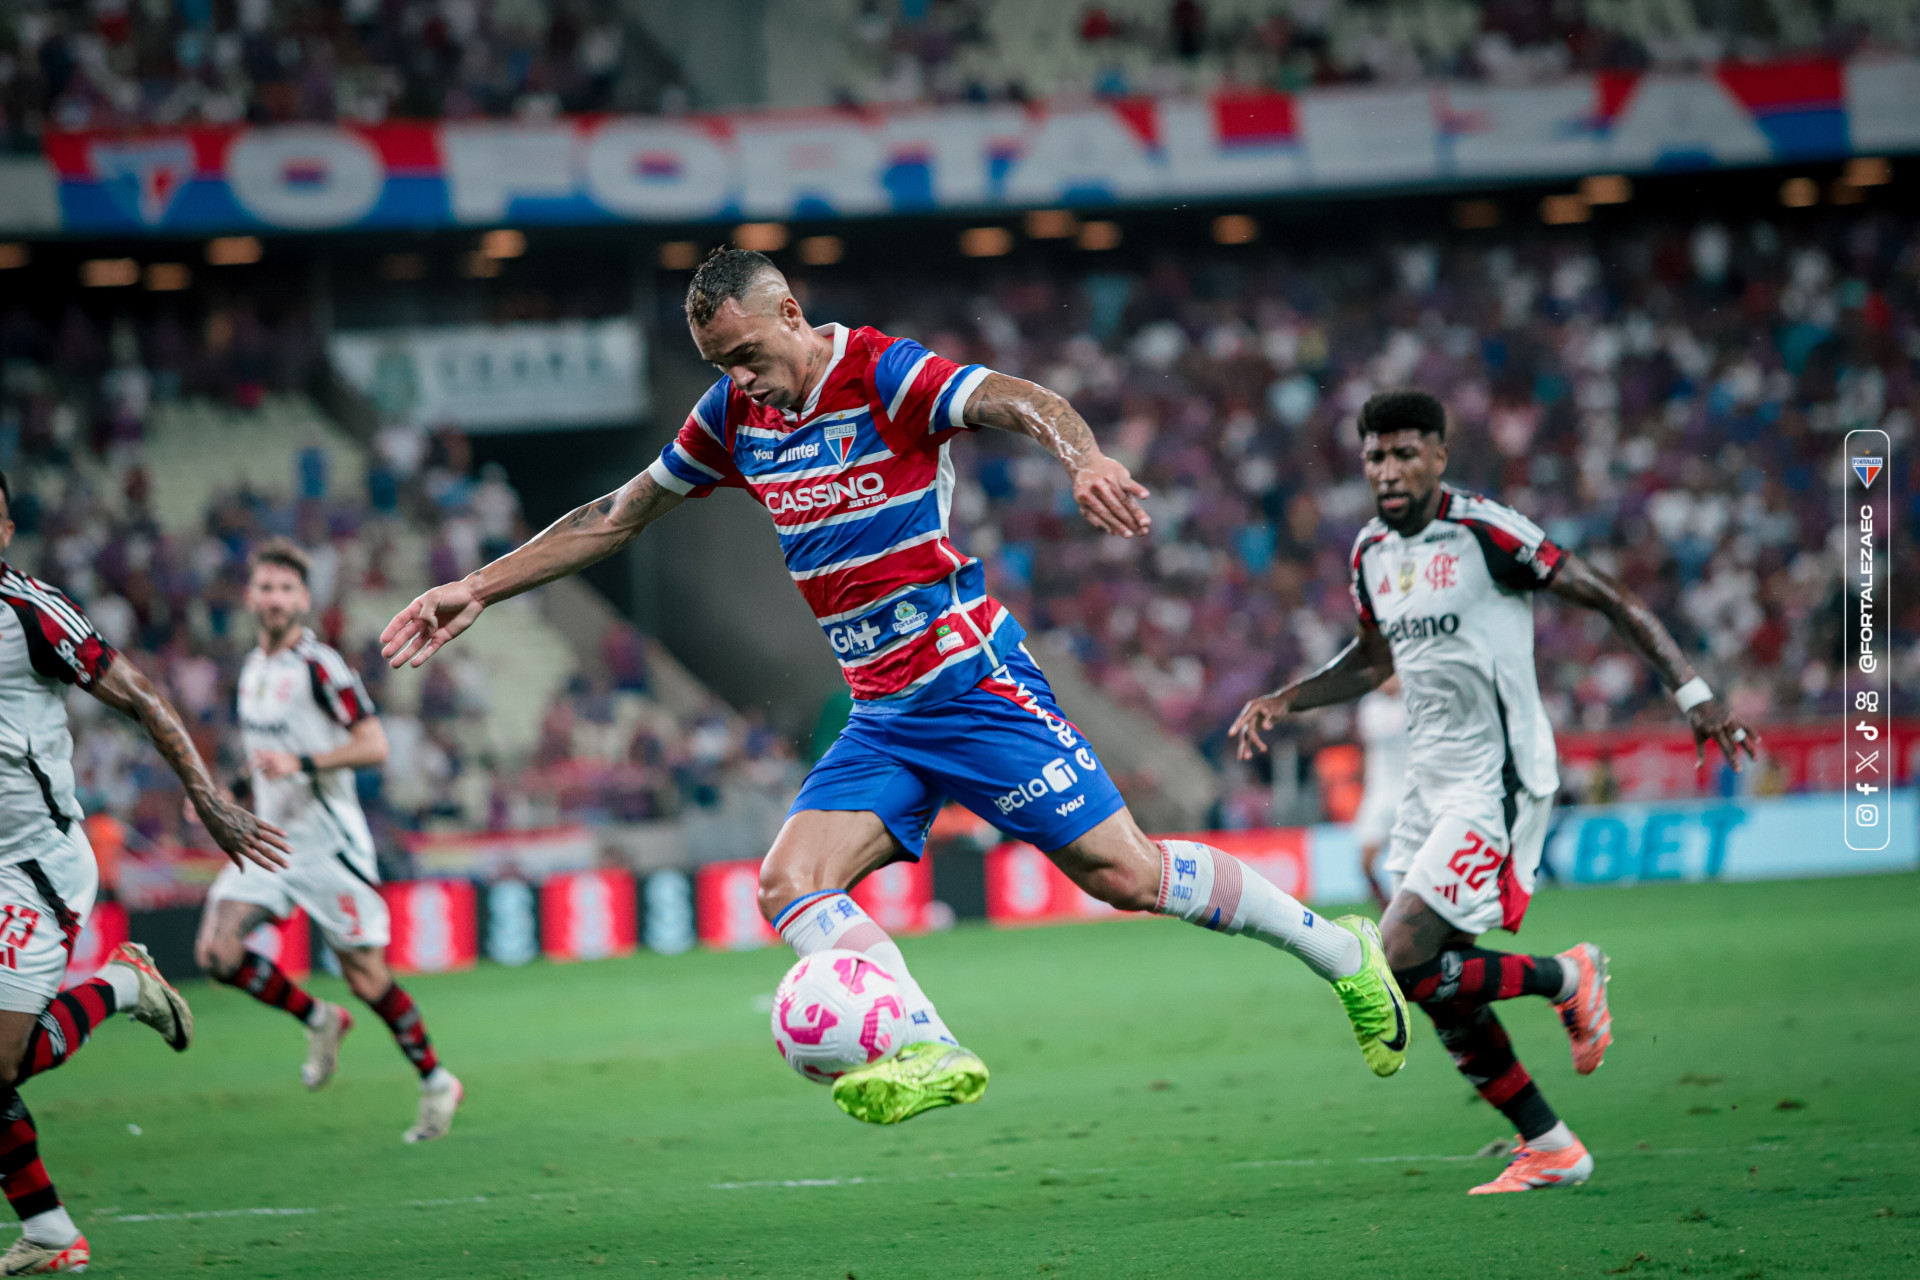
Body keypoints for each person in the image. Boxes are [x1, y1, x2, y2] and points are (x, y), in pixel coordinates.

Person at [381, 247, 1410, 1126]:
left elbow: (1017, 396)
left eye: (748, 353)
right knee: (787, 881)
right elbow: (615, 513)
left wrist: (1082, 454)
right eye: (719, 365)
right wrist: (475, 584)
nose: (744, 380)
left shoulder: (881, 370)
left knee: (1126, 876)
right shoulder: (732, 416)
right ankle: (923, 1041)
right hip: (883, 713)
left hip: (972, 683)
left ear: (792, 312)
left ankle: (1340, 949)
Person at [1231, 391, 1759, 1194]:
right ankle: (1549, 1144)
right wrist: (1287, 697)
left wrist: (1694, 693)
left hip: (1500, 778)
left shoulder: (1487, 532)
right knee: (1434, 981)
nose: (1390, 469)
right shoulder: (1370, 550)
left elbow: (1609, 595)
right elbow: (1374, 662)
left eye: (1407, 452)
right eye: (1377, 456)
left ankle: (1568, 977)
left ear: (1440, 455)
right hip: (1427, 784)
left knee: (1401, 958)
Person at [0, 470, 291, 1274]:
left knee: (0, 1062)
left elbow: (142, 695)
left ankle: (128, 986)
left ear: (6, 532)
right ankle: (52, 1234)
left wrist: (207, 797)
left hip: (32, 865)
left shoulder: (29, 612)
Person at [194, 539, 462, 1143]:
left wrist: (306, 763)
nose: (276, 598)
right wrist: (220, 795)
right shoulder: (253, 669)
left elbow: (374, 745)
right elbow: (262, 757)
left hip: (328, 849)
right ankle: (317, 1018)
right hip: (270, 842)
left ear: (305, 599)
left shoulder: (322, 667)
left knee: (369, 980)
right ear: (250, 595)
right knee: (217, 954)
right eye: (266, 587)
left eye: (287, 589)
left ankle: (437, 1081)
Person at [1352, 675, 1408, 910]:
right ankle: (1386, 907)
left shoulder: (1415, 701)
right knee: (1365, 862)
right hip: (1379, 790)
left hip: (1411, 789)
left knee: (1409, 863)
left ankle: (1410, 914)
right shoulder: (1369, 705)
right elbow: (1368, 742)